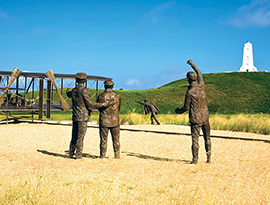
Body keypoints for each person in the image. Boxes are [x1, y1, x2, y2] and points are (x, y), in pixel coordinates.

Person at [175, 59, 211, 164]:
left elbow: (185, 107)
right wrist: (192, 64)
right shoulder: (201, 86)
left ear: (188, 80)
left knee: (195, 139)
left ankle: (195, 159)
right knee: (207, 137)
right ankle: (209, 157)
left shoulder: (190, 92)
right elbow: (199, 72)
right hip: (205, 116)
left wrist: (178, 111)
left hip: (196, 118)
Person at [67, 72, 109, 159]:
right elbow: (90, 104)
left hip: (75, 116)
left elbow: (69, 94)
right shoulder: (84, 90)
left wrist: (67, 91)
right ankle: (78, 155)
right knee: (80, 137)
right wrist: (102, 105)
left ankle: (71, 153)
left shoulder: (74, 90)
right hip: (83, 116)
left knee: (74, 136)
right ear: (85, 80)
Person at [96, 80, 121, 159]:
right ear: (112, 86)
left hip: (104, 120)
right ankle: (117, 155)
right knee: (116, 139)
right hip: (115, 120)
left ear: (105, 86)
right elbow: (119, 108)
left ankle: (102, 155)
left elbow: (98, 107)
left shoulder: (100, 96)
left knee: (103, 139)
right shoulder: (117, 96)